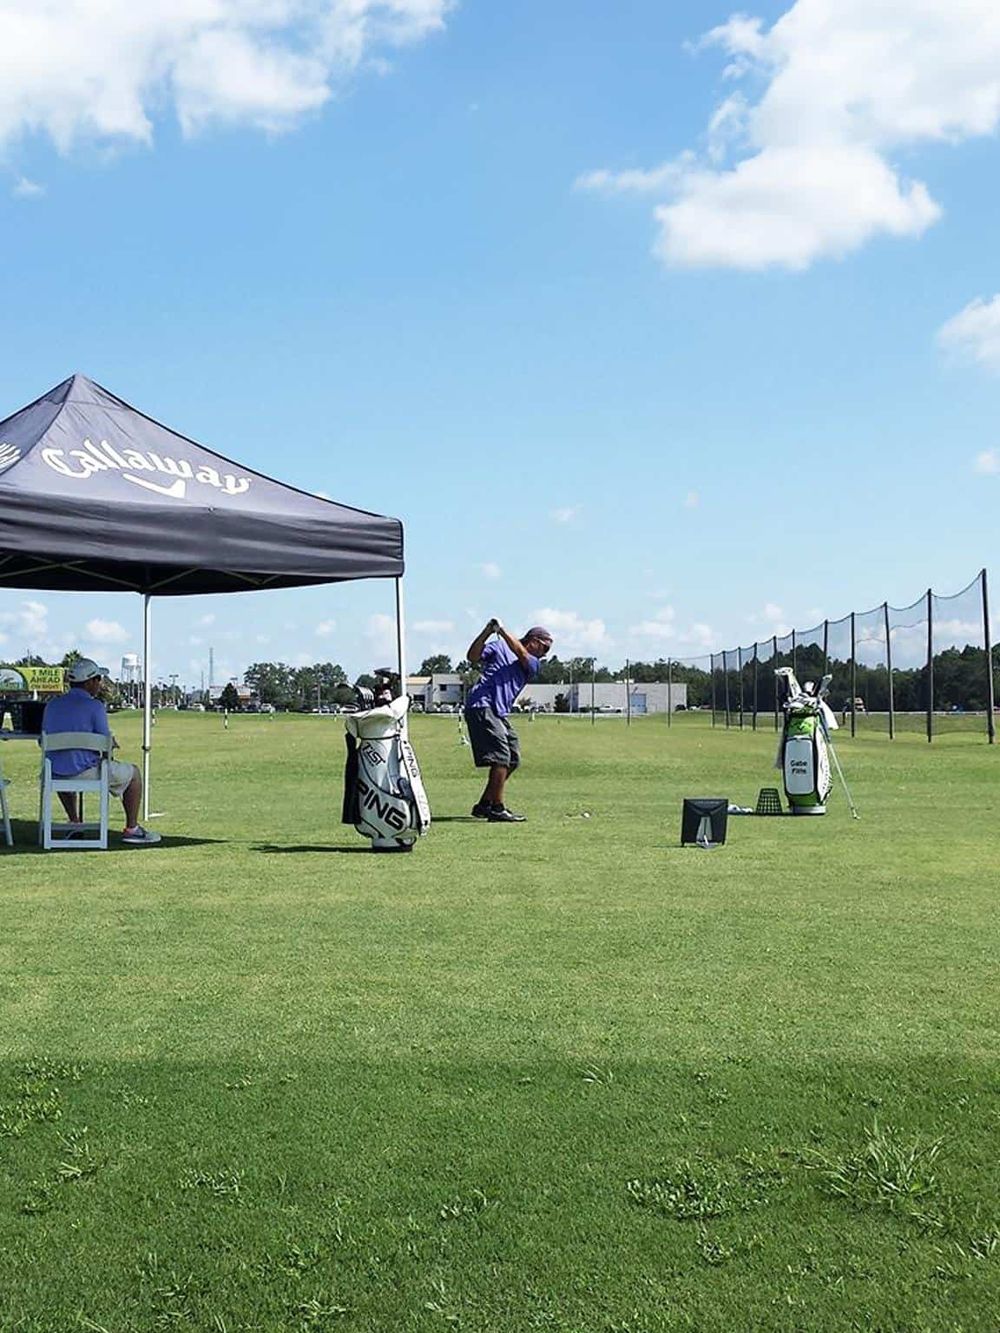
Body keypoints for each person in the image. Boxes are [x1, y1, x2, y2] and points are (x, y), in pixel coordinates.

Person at [41, 659, 161, 845]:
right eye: (98, 679)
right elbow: (105, 744)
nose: (100, 683)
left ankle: (74, 821)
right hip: (87, 772)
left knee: (62, 766)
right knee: (134, 773)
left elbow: (43, 742)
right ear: (89, 682)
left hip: (53, 773)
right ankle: (132, 828)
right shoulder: (95, 706)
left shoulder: (52, 705)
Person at [464, 619, 552, 822]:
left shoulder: (532, 662)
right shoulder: (499, 647)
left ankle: (485, 804)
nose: (546, 653)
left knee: (512, 758)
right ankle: (497, 808)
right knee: (501, 756)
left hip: (498, 712)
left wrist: (501, 630)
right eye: (545, 647)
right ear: (534, 640)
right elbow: (472, 656)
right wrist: (487, 631)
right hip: (482, 704)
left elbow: (520, 653)